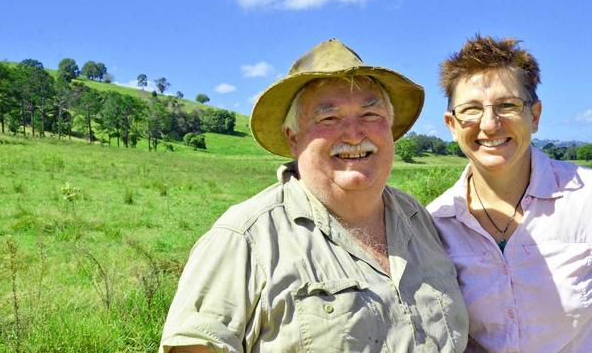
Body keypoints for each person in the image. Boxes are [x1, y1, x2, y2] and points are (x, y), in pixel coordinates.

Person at [160, 39, 469, 353]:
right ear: (293, 138)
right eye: (329, 118)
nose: (353, 133)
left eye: (370, 114)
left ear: (390, 126)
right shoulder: (245, 238)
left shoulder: (418, 218)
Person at [427, 35, 592, 352]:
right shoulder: (436, 223)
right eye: (471, 109)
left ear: (535, 115)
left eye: (508, 105)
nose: (490, 124)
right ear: (451, 124)